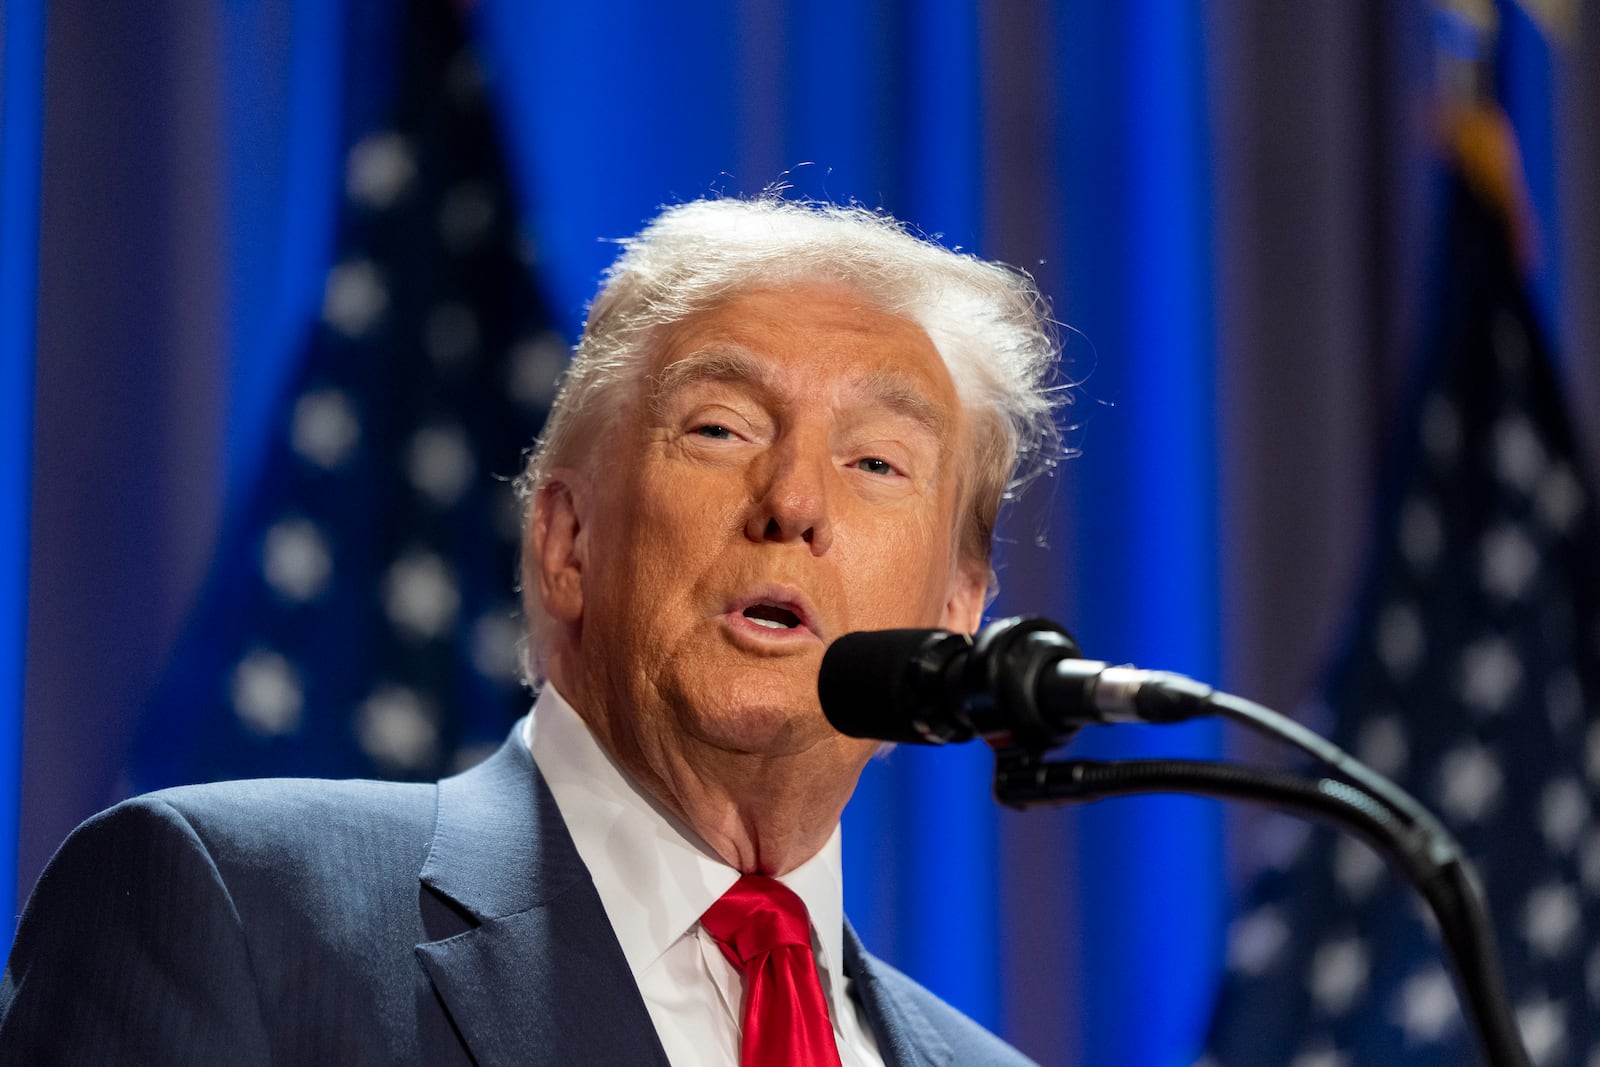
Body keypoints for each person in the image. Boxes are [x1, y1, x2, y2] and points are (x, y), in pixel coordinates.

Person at [0, 196, 1060, 1065]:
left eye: (876, 461)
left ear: (953, 618)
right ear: (566, 542)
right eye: (720, 427)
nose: (792, 497)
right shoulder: (232, 908)